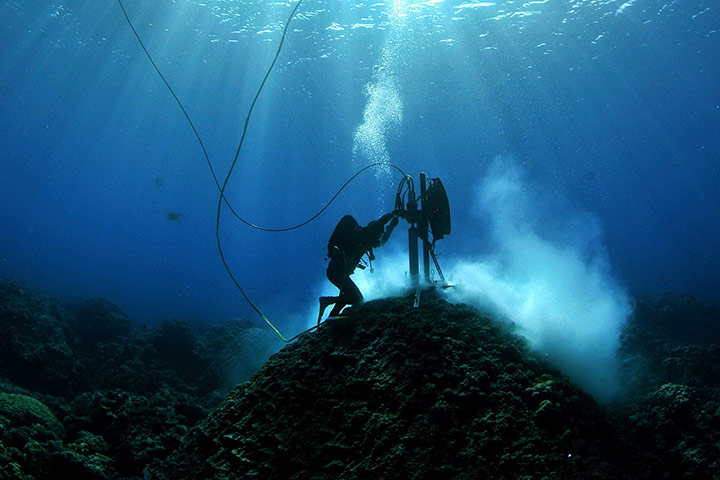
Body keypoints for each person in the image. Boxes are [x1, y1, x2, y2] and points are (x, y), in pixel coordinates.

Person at [318, 211, 399, 324]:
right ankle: (327, 300)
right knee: (357, 299)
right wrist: (392, 214)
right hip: (336, 273)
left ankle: (333, 316)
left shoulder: (367, 243)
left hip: (339, 273)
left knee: (348, 293)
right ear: (372, 233)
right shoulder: (360, 236)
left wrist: (391, 227)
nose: (376, 242)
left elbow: (382, 241)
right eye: (377, 236)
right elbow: (380, 223)